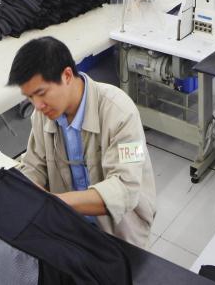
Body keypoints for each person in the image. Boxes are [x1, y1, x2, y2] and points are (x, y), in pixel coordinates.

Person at [10, 37, 156, 248]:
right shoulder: (43, 115)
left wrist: (54, 202)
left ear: (67, 75)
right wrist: (19, 189)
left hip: (121, 233)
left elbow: (125, 188)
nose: (37, 105)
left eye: (41, 93)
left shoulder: (121, 112)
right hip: (72, 228)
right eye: (30, 97)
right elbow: (34, 167)